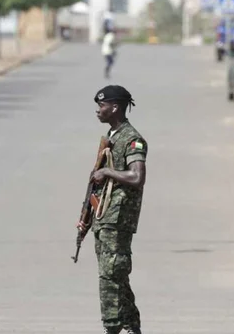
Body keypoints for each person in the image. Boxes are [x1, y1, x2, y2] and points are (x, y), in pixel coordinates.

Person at [79, 85, 148, 334]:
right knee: (115, 275)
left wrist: (106, 171)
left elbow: (137, 177)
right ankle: (130, 326)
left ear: (115, 107)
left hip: (119, 218)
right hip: (106, 216)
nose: (98, 110)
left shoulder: (132, 139)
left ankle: (113, 327)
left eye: (102, 106)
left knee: (110, 276)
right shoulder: (113, 136)